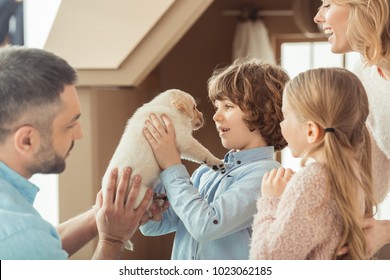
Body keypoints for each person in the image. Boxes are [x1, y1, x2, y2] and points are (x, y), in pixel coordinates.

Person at [0, 46, 155, 260]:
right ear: (27, 140)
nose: (79, 133)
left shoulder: (21, 232)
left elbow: (41, 245)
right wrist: (113, 240)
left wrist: (103, 215)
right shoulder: (23, 235)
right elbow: (30, 241)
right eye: (70, 124)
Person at [140, 58, 290, 260]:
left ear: (260, 111)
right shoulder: (205, 172)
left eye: (228, 106)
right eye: (217, 106)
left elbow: (207, 226)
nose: (216, 116)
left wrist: (172, 166)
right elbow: (155, 226)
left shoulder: (266, 176)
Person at [249, 67, 376, 259]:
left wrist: (270, 201)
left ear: (310, 131)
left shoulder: (312, 181)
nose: (281, 124)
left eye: (285, 117)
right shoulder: (354, 172)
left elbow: (266, 260)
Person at [314, 0, 390, 258]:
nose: (317, 17)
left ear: (365, 6)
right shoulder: (364, 74)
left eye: (328, 4)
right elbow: (371, 179)